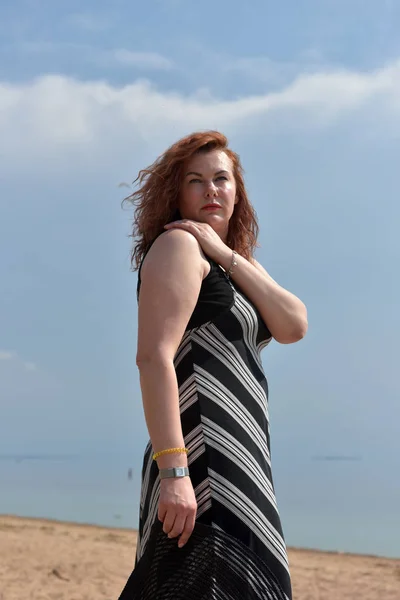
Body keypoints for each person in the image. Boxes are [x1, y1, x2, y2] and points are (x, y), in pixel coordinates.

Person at [118, 131, 308, 600]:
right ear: (176, 193)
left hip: (243, 456)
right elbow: (153, 357)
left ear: (237, 189)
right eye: (196, 181)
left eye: (221, 179)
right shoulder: (179, 248)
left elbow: (293, 324)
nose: (211, 191)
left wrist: (226, 254)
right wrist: (175, 473)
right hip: (200, 456)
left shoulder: (233, 262)